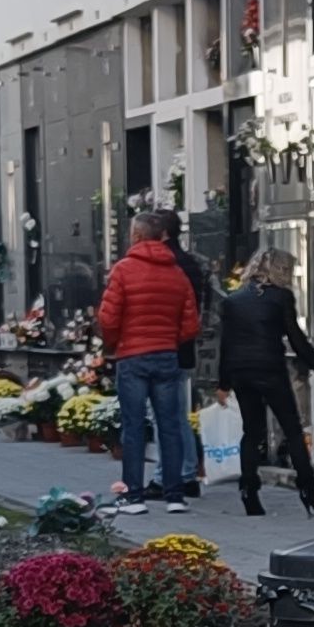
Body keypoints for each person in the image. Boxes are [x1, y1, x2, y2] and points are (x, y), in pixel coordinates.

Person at [97, 205, 205, 501]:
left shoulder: (123, 270)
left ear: (136, 236)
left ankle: (133, 493)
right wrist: (169, 339)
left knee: (133, 426)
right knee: (170, 424)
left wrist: (115, 343)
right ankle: (174, 492)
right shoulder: (177, 272)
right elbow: (191, 322)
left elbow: (108, 317)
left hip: (132, 355)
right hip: (167, 354)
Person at [220, 244, 314, 514]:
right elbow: (297, 340)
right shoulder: (281, 297)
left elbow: (226, 344)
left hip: (241, 372)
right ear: (281, 270)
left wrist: (223, 383)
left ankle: (249, 490)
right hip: (270, 370)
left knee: (251, 432)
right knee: (292, 429)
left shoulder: (233, 300)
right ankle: (308, 488)